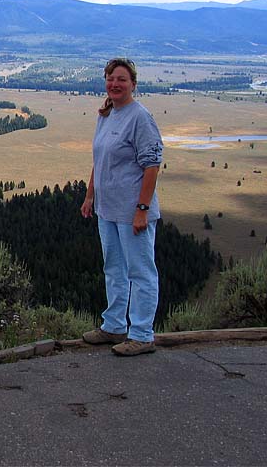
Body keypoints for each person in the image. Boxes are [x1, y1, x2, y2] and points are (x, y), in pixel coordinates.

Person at [80, 58, 163, 356]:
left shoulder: (140, 117)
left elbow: (151, 165)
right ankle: (114, 325)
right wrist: (91, 196)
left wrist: (142, 208)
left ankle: (141, 334)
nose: (115, 83)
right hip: (107, 209)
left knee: (140, 272)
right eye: (110, 78)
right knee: (114, 268)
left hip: (132, 211)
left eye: (122, 79)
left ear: (133, 84)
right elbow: (99, 160)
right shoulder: (107, 114)